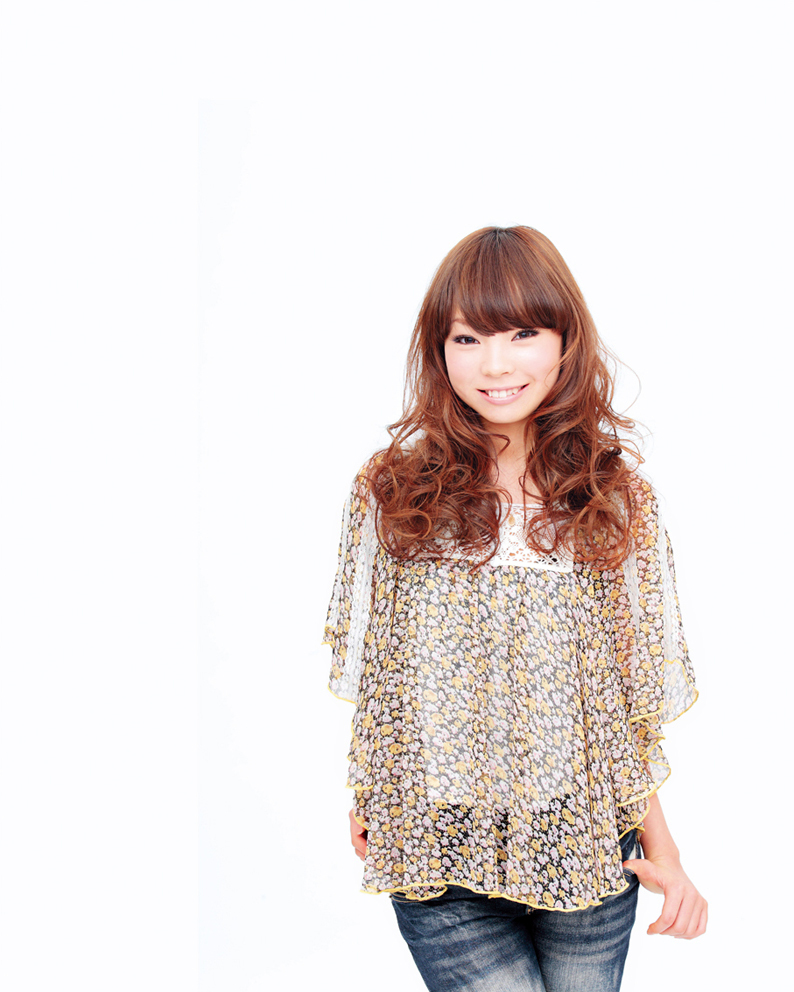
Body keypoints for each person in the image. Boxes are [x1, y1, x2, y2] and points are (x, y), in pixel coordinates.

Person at [323, 226, 707, 992]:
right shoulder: (392, 492)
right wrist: (369, 790)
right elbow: (382, 679)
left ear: (565, 341)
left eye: (522, 333)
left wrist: (663, 848)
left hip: (582, 841)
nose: (495, 364)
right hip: (438, 845)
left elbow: (619, 705)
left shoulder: (612, 500)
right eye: (468, 338)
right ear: (439, 351)